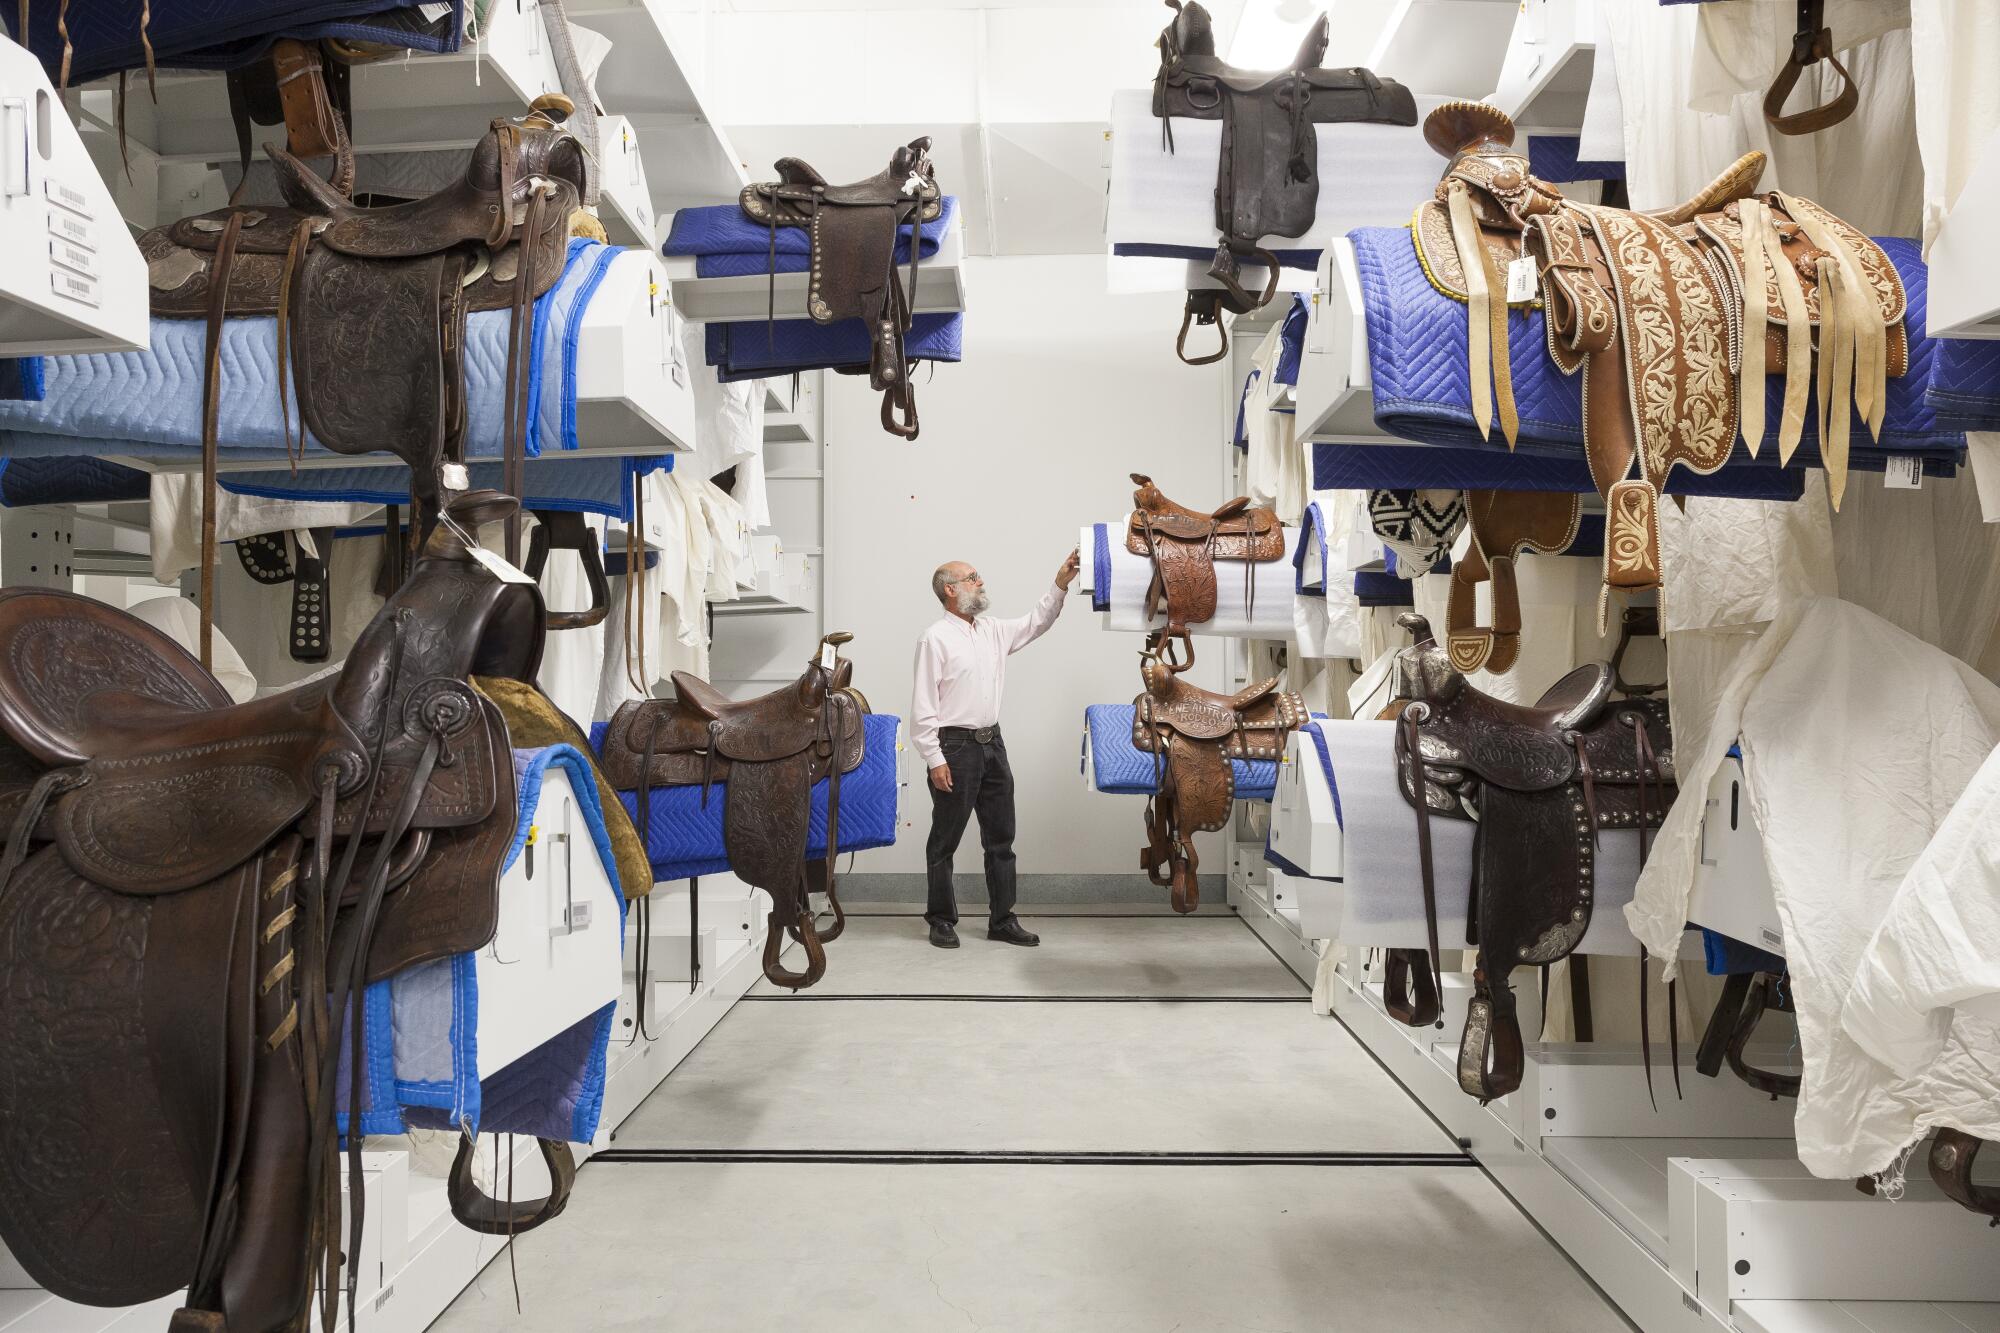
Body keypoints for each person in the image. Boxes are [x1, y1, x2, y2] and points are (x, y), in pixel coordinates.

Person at [911, 549, 1082, 949]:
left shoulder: (991, 631)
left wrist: (1061, 582)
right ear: (950, 590)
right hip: (953, 747)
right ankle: (940, 920)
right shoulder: (934, 638)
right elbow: (923, 707)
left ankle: (1002, 920)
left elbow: (1037, 621)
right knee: (944, 840)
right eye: (972, 577)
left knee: (1001, 838)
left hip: (993, 744)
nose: (981, 582)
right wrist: (934, 759)